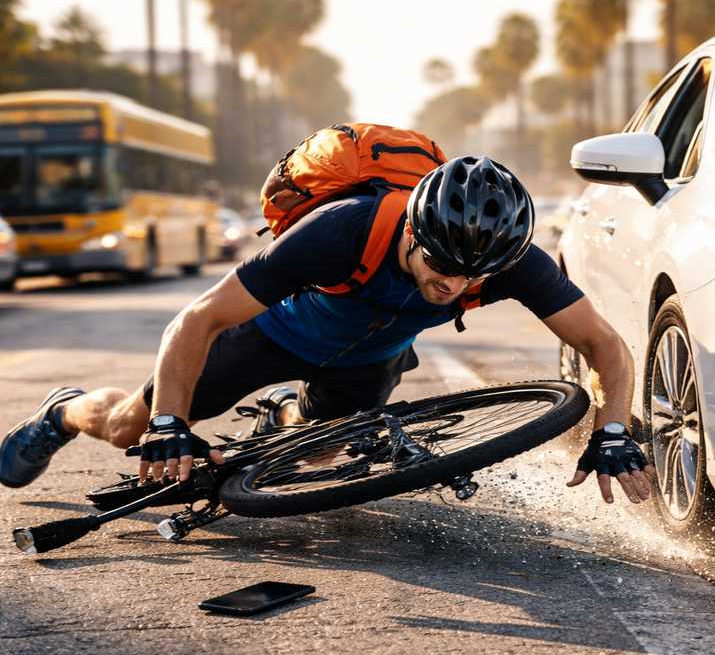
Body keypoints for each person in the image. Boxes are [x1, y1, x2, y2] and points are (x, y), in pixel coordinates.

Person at [1, 155, 655, 506]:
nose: (454, 287)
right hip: (271, 339)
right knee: (127, 428)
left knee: (312, 458)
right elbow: (197, 319)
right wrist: (169, 420)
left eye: (472, 276)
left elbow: (604, 345)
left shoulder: (510, 261)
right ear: (412, 232)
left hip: (366, 361)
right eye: (441, 266)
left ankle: (287, 421)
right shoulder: (341, 231)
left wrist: (614, 427)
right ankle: (62, 413)